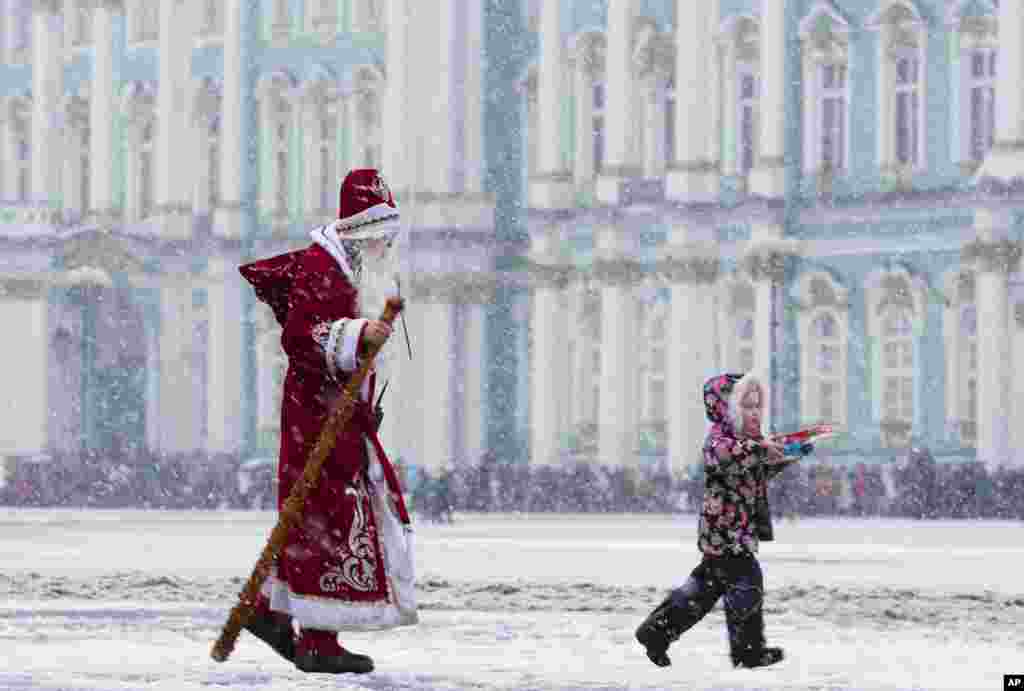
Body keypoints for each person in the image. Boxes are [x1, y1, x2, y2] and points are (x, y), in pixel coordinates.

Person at [238, 169, 417, 674]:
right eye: (379, 232)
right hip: (318, 415)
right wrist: (358, 334)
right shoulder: (325, 266)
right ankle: (318, 639)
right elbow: (301, 336)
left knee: (317, 517)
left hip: (337, 414)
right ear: (358, 229)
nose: (385, 243)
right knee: (326, 519)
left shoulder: (352, 270)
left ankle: (269, 610)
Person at [635, 372, 814, 670]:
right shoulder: (719, 439)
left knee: (702, 592)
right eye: (747, 406)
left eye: (758, 406)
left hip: (734, 531)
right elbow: (727, 457)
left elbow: (756, 472)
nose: (755, 412)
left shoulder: (747, 442)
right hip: (725, 532)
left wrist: (787, 454)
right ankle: (748, 651)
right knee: (747, 582)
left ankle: (656, 631)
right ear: (727, 409)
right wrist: (761, 448)